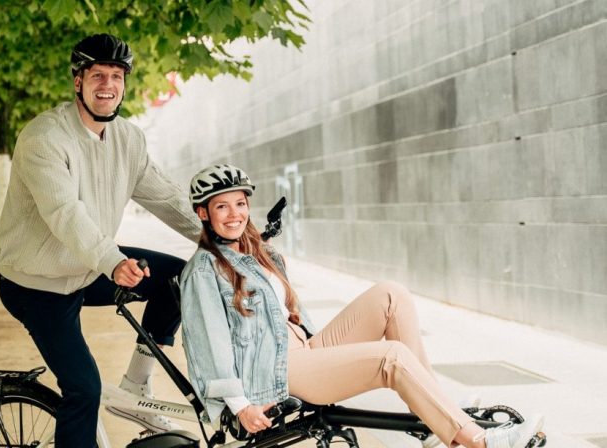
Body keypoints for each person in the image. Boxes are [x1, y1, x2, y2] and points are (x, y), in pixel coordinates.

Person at [179, 164, 545, 448]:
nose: (234, 214)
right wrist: (240, 406)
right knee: (392, 357)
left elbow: (286, 314)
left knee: (391, 294)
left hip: (302, 348)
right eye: (221, 207)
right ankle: (479, 441)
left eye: (239, 204)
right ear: (203, 213)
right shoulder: (204, 270)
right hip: (275, 373)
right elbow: (209, 344)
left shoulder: (259, 252)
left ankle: (437, 420)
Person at [0, 34, 202, 448]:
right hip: (37, 285)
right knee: (83, 390)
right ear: (78, 82)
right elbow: (64, 213)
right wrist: (112, 259)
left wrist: (224, 239)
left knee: (179, 279)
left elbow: (166, 197)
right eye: (97, 75)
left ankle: (134, 389)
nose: (107, 84)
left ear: (124, 84)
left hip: (88, 269)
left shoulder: (128, 139)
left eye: (116, 76)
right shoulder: (43, 138)